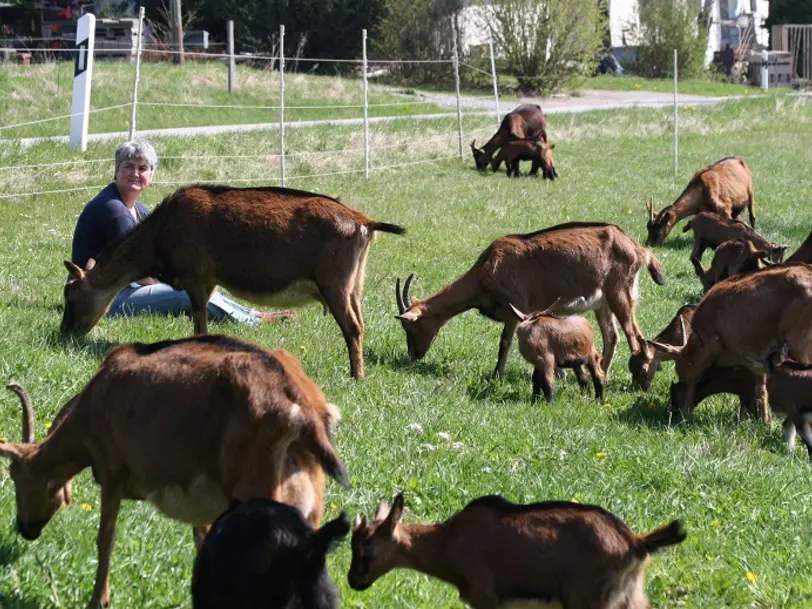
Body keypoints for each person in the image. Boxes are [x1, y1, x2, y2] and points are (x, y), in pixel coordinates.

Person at [69, 138, 296, 326]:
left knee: (198, 285)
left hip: (126, 291)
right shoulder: (113, 210)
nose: (135, 173)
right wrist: (176, 284)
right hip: (111, 299)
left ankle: (251, 315)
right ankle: (252, 321)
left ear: (151, 175)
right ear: (116, 170)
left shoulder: (137, 208)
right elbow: (143, 275)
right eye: (128, 166)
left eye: (142, 168)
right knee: (187, 292)